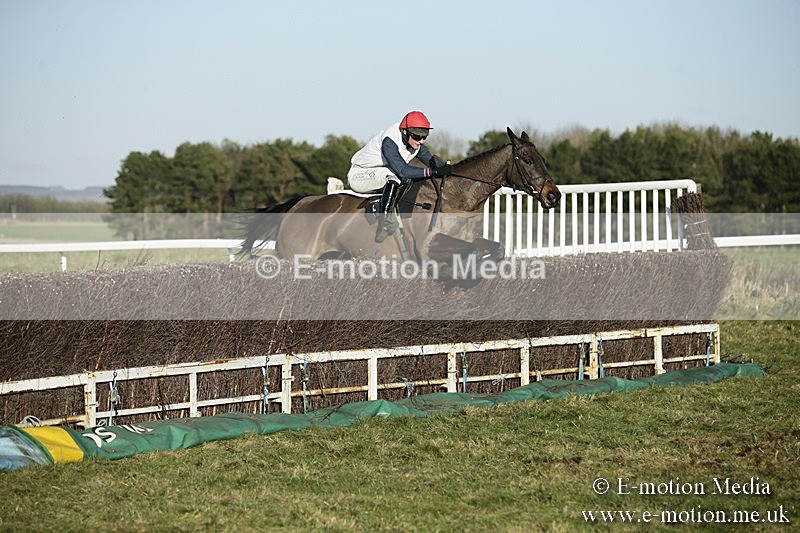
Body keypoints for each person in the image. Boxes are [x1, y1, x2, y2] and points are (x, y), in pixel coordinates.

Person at [347, 111, 453, 242]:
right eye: (417, 137)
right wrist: (432, 172)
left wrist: (447, 169)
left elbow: (432, 161)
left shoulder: (413, 141)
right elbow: (403, 170)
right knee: (396, 176)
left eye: (424, 137)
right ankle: (384, 222)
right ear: (404, 132)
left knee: (405, 179)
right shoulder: (389, 141)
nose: (420, 141)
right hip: (359, 175)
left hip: (379, 172)